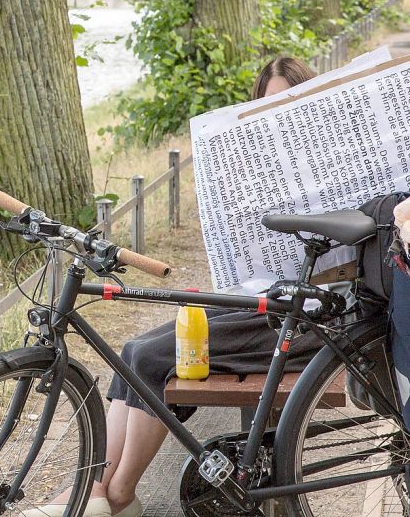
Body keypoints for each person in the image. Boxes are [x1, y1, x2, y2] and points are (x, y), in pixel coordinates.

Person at [25, 57, 324, 517]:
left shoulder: (327, 161)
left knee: (153, 358)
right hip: (259, 300)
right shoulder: (263, 163)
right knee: (133, 349)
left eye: (284, 101)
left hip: (304, 317)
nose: (274, 113)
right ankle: (95, 486)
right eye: (265, 105)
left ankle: (120, 492)